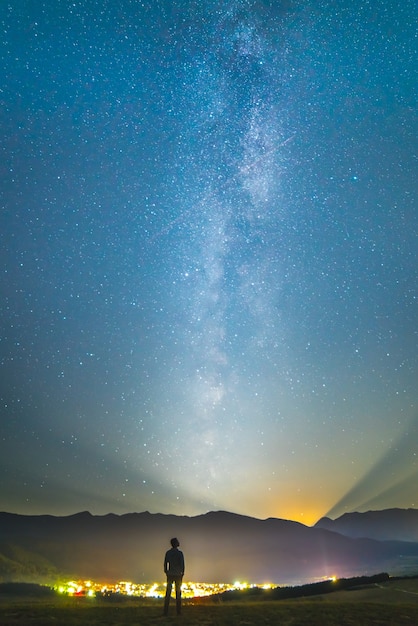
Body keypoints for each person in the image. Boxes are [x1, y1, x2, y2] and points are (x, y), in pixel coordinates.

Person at [163, 537, 185, 616]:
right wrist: (182, 573)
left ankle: (165, 611)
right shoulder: (180, 553)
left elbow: (165, 563)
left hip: (170, 574)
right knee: (178, 593)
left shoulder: (168, 553)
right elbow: (182, 565)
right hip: (178, 575)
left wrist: (166, 571)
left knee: (168, 592)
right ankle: (178, 611)